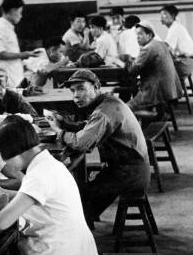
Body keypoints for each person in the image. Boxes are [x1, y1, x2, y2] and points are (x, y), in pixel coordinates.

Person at [0, 115, 98, 255]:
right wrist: (3, 193)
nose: (4, 161)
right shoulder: (50, 164)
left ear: (15, 151)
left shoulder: (38, 175)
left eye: (2, 154)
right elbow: (37, 199)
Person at [51, 69, 150, 223]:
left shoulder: (103, 112)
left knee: (76, 200)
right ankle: (87, 221)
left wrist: (59, 131)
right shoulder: (108, 101)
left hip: (129, 173)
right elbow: (91, 127)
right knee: (81, 194)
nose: (76, 95)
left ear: (96, 87)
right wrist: (65, 124)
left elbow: (80, 144)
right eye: (73, 91)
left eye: (81, 88)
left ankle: (81, 234)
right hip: (130, 168)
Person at [125, 20, 182, 114]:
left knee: (126, 108)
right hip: (170, 90)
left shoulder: (148, 48)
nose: (137, 37)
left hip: (157, 92)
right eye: (136, 34)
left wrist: (126, 62)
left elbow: (132, 71)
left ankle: (137, 127)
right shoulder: (160, 44)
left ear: (149, 35)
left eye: (140, 34)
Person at [0, 0, 40, 88]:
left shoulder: (7, 28)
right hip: (8, 78)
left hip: (14, 77)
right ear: (13, 11)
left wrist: (22, 63)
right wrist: (24, 54)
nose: (21, 16)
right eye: (20, 12)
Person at [159, 5, 193, 78]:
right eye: (161, 15)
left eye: (165, 14)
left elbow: (166, 47)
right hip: (187, 62)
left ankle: (172, 88)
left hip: (184, 63)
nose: (162, 17)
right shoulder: (175, 27)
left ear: (173, 15)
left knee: (155, 70)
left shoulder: (175, 28)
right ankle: (174, 88)